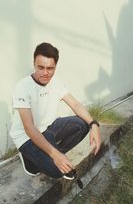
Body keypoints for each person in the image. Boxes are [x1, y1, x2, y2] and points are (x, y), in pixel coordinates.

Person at [10, 42, 101, 180]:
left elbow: (75, 104)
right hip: (26, 137)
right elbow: (28, 128)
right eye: (40, 67)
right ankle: (30, 158)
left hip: (47, 129)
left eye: (50, 68)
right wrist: (55, 155)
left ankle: (50, 155)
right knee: (59, 172)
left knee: (82, 124)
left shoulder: (56, 83)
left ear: (55, 67)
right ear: (34, 63)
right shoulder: (22, 86)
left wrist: (94, 124)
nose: (45, 73)